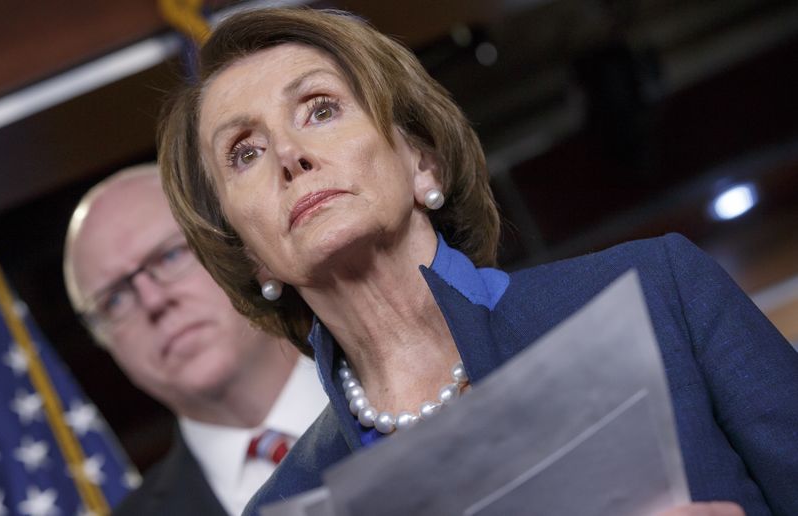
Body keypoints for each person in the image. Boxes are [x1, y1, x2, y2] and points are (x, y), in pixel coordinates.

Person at [157, 8, 798, 516]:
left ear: (422, 161)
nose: (290, 155)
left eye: (321, 109)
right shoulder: (291, 506)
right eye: (243, 152)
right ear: (250, 256)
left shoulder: (659, 291)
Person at [62, 164, 328, 515]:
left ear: (239, 250)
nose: (153, 301)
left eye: (170, 255)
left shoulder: (406, 379)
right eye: (115, 299)